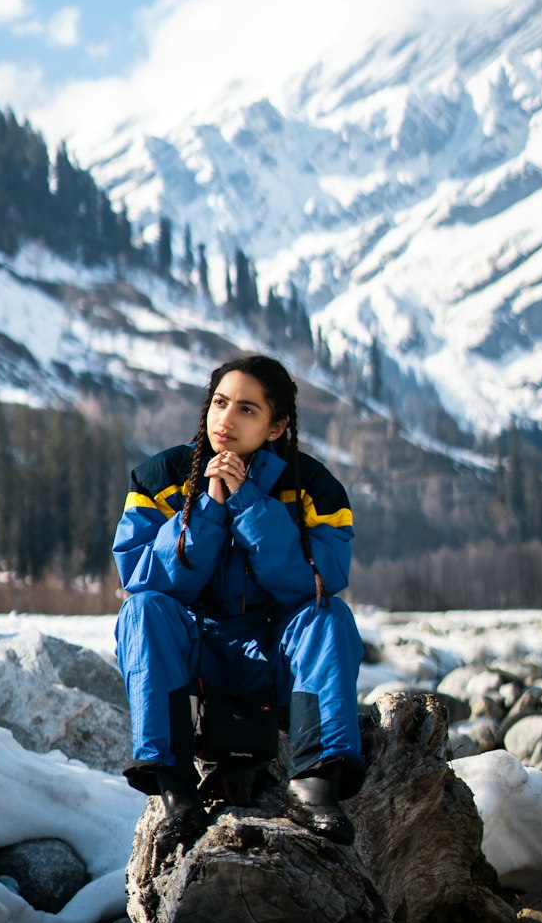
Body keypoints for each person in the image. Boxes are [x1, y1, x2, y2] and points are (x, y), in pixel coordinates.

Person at [112, 353, 365, 845]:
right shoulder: (159, 479)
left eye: (247, 410)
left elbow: (317, 580)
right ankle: (174, 786)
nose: (225, 420)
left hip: (272, 653)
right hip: (195, 652)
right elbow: (147, 578)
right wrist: (209, 505)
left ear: (276, 428)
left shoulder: (313, 488)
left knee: (327, 616)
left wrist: (249, 502)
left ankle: (313, 784)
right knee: (142, 611)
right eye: (220, 403)